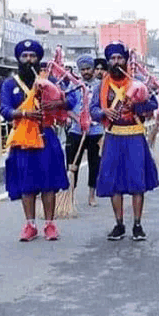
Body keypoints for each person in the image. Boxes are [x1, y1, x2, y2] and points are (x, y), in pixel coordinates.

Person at [0, 39, 72, 241]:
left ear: (39, 59)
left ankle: (50, 224)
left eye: (33, 56)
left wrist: (58, 101)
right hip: (23, 138)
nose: (29, 60)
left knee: (49, 182)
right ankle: (30, 225)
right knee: (27, 183)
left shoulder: (49, 80)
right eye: (25, 56)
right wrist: (24, 113)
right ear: (19, 59)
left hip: (46, 134)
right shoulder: (9, 84)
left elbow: (70, 101)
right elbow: (4, 110)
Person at [91, 41, 159, 241]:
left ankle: (137, 225)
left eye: (120, 58)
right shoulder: (101, 85)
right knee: (113, 182)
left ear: (126, 60)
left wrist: (137, 105)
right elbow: (93, 110)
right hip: (113, 137)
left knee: (137, 182)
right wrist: (104, 111)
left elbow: (152, 104)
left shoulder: (137, 81)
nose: (116, 61)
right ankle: (119, 224)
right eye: (112, 58)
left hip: (135, 135)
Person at [66, 55, 103, 207]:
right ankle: (70, 194)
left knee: (95, 164)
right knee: (72, 164)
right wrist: (78, 120)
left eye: (88, 69)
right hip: (76, 131)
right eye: (83, 70)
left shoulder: (101, 86)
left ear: (93, 69)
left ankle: (91, 196)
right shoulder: (74, 86)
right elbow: (67, 107)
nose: (86, 72)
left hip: (96, 131)